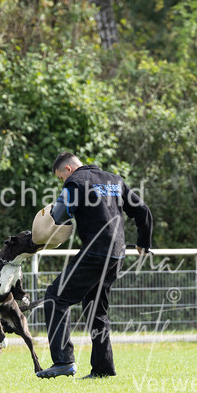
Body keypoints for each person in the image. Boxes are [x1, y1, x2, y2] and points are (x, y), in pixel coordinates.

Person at [36, 152, 153, 379]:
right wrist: (143, 242)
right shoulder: (114, 180)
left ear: (68, 170)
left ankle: (63, 361)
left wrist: (50, 219)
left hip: (96, 251)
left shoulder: (75, 182)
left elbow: (60, 214)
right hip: (117, 254)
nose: (62, 182)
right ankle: (103, 369)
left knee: (55, 296)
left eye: (60, 178)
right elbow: (143, 210)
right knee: (95, 309)